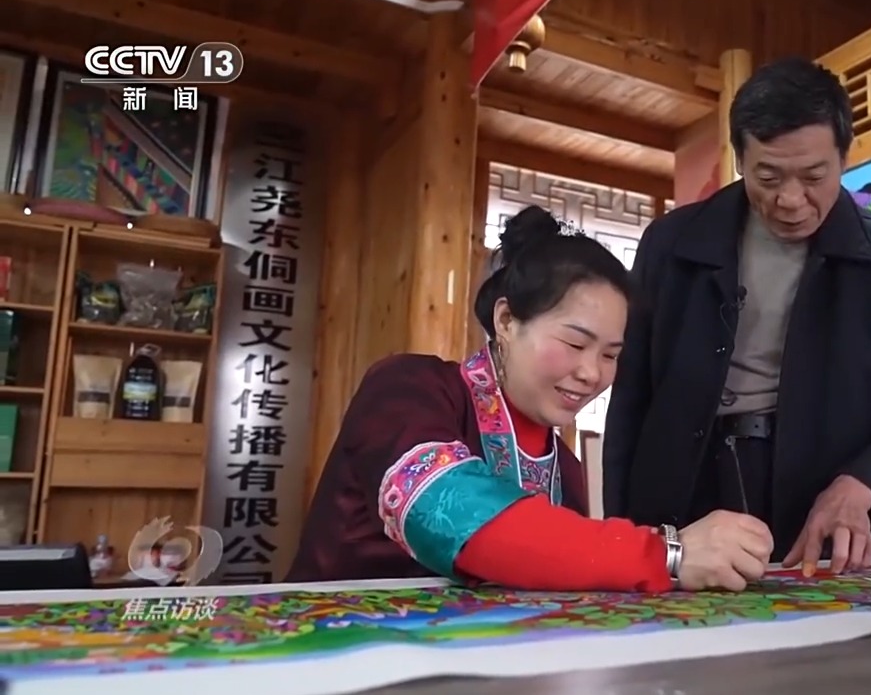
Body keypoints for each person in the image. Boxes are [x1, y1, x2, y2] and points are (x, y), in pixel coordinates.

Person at [602, 57, 871, 579]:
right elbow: (631, 402)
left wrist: (863, 484)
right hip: (683, 501)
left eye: (814, 176)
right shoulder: (672, 243)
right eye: (767, 176)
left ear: (844, 157)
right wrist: (625, 537)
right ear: (740, 160)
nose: (791, 200)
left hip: (817, 509)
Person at [289, 206, 773, 592]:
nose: (592, 373)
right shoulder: (407, 390)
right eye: (575, 343)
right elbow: (451, 513)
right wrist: (667, 554)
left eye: (610, 354)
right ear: (506, 320)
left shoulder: (566, 469)